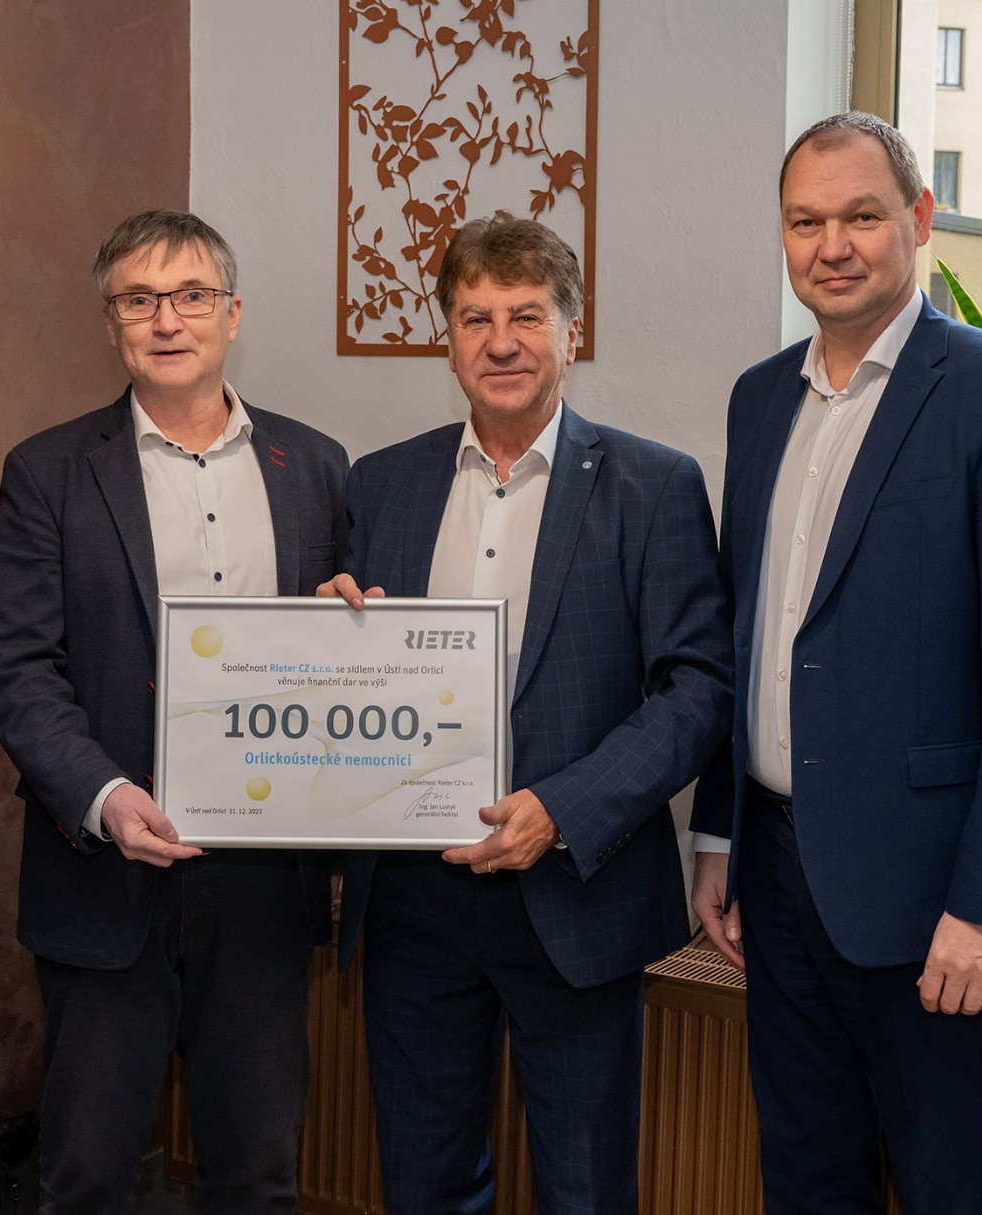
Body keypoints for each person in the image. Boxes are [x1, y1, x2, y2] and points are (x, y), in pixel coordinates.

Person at [687, 111, 982, 1212]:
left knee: (950, 1185)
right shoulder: (760, 396)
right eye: (805, 222)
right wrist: (717, 831)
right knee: (806, 1180)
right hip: (776, 878)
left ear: (920, 218)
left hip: (931, 900)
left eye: (861, 216)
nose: (833, 246)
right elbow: (743, 631)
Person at [323, 212, 730, 1215]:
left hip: (577, 895)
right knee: (423, 1183)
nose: (501, 342)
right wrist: (328, 641)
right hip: (415, 901)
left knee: (586, 1190)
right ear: (447, 340)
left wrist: (563, 809)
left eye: (527, 316)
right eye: (476, 318)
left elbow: (697, 690)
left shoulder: (653, 485)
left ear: (572, 332)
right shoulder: (381, 484)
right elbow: (349, 690)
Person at [0, 210, 347, 1214]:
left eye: (191, 295)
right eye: (139, 299)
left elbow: (346, 666)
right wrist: (103, 796)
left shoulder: (316, 467)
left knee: (258, 1176)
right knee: (88, 1178)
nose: (167, 319)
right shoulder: (48, 472)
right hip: (107, 877)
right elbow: (20, 670)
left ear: (233, 314)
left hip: (264, 888)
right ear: (112, 324)